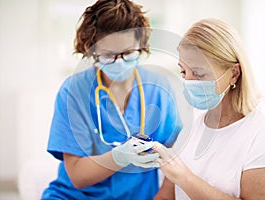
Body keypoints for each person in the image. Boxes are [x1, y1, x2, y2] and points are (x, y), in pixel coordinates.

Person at [41, 0, 182, 199]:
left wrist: (163, 196)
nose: (120, 61)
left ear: (141, 45)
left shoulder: (159, 89)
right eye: (109, 55)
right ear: (92, 50)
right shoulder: (74, 92)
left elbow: (174, 155)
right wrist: (119, 157)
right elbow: (78, 177)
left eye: (128, 52)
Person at [153, 18, 265, 200]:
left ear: (234, 73)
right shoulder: (195, 123)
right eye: (183, 72)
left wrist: (185, 178)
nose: (188, 82)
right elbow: (166, 196)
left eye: (199, 73)